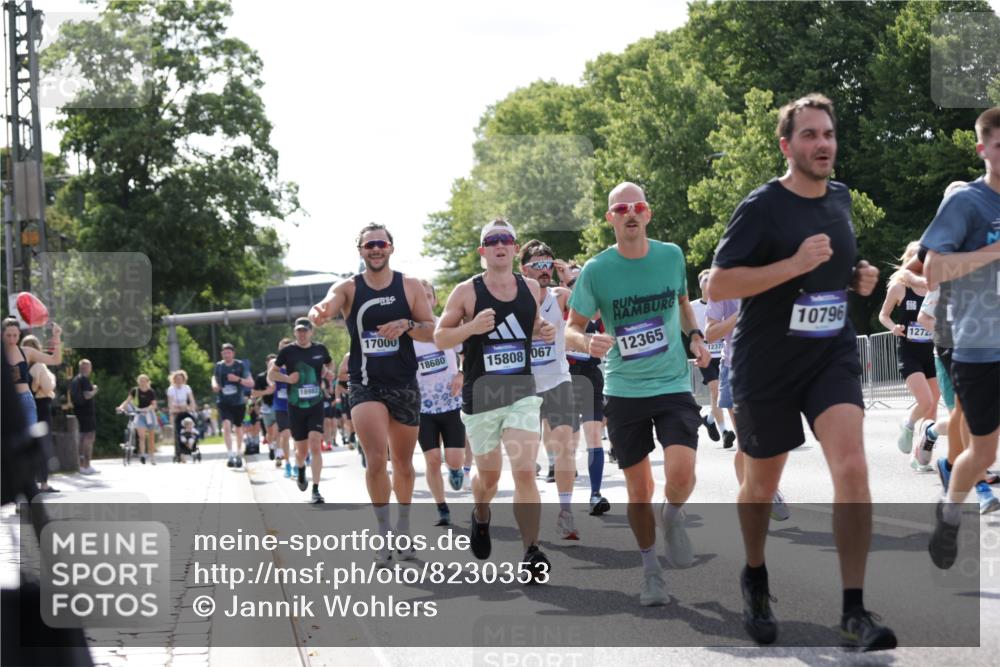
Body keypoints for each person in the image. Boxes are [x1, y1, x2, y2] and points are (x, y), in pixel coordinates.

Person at [708, 93, 894, 650]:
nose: (823, 145)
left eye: (829, 134)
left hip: (829, 355)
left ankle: (854, 610)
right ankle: (756, 576)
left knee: (853, 467)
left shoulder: (839, 198)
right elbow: (718, 284)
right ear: (786, 145)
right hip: (767, 363)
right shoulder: (762, 205)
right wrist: (791, 265)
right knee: (761, 485)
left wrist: (859, 279)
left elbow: (833, 269)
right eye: (810, 135)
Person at [566, 183, 711, 607]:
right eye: (621, 208)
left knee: (682, 473)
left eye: (638, 206)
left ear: (648, 214)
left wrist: (696, 336)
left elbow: (683, 304)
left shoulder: (671, 255)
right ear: (611, 218)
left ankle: (674, 516)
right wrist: (584, 342)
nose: (631, 212)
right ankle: (651, 574)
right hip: (624, 390)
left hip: (671, 384)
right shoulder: (596, 270)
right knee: (639, 488)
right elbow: (572, 326)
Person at [436, 217, 556, 582]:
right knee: (489, 476)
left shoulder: (532, 288)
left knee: (524, 471)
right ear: (482, 251)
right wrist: (471, 328)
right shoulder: (466, 292)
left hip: (521, 392)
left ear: (515, 247)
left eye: (506, 239)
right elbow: (441, 337)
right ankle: (481, 514)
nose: (500, 244)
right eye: (492, 240)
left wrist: (543, 329)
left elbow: (531, 324)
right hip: (482, 396)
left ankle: (530, 550)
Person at [309, 223, 435, 563]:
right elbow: (326, 304)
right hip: (365, 384)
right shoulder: (349, 288)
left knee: (404, 465)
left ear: (391, 248)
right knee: (378, 459)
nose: (375, 249)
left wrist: (407, 325)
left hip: (404, 383)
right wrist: (317, 313)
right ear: (361, 251)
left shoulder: (409, 286)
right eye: (369, 245)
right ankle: (382, 534)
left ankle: (404, 527)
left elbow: (431, 329)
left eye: (380, 244)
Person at [924, 106, 1000, 568]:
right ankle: (951, 510)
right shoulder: (965, 203)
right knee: (983, 451)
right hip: (978, 344)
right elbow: (932, 271)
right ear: (982, 149)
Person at [520, 240, 582, 540]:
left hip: (558, 380)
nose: (545, 270)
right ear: (524, 269)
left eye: (548, 264)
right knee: (525, 457)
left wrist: (568, 276)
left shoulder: (560, 296)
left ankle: (566, 512)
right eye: (538, 265)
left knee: (565, 448)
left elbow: (588, 308)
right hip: (525, 385)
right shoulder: (514, 297)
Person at [878, 242, 940, 470]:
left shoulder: (934, 287)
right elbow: (883, 315)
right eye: (917, 259)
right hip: (909, 352)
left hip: (930, 352)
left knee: (933, 406)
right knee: (925, 401)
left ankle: (920, 456)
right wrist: (893, 326)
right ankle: (909, 422)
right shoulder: (899, 288)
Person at [413, 279, 466, 526]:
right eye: (419, 296)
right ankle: (441, 507)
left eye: (428, 296)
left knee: (454, 458)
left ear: (434, 300)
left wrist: (461, 373)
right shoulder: (407, 333)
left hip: (451, 403)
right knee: (432, 459)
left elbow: (467, 353)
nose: (424, 300)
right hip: (422, 408)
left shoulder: (446, 326)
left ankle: (456, 470)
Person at [562, 265, 611, 516]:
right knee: (568, 442)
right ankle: (565, 502)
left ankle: (595, 493)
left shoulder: (599, 312)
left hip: (590, 377)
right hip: (564, 380)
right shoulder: (562, 307)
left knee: (593, 436)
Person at [270, 318, 335, 504]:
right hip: (296, 405)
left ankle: (315, 489)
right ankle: (300, 469)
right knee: (301, 451)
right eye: (299, 331)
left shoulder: (320, 349)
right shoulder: (287, 351)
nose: (302, 334)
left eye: (305, 331)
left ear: (311, 332)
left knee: (316, 444)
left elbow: (330, 364)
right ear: (294, 333)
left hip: (315, 403)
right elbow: (271, 374)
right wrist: (288, 379)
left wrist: (328, 372)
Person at [690, 270, 729, 446]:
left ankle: (710, 419)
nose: (708, 282)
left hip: (722, 353)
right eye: (705, 279)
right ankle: (725, 431)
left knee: (720, 392)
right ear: (700, 284)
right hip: (704, 356)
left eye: (710, 279)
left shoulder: (723, 302)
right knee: (715, 389)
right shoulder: (692, 307)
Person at [22, 335, 58, 492]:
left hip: (27, 404)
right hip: (42, 405)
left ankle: (29, 481)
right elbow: (48, 387)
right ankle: (43, 483)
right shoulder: (40, 366)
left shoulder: (21, 366)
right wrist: (53, 381)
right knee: (43, 445)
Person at [212, 343, 254, 468]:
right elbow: (213, 377)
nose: (226, 355)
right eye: (224, 353)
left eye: (229, 352)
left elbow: (251, 383)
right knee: (226, 425)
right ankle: (230, 454)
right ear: (222, 354)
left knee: (238, 428)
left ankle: (238, 451)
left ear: (233, 354)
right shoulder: (219, 366)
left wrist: (238, 379)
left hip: (238, 402)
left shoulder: (240, 365)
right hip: (223, 401)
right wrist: (214, 384)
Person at [117, 374, 159, 465]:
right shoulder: (135, 391)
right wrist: (121, 407)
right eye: (141, 381)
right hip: (139, 414)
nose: (142, 383)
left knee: (151, 437)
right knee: (142, 436)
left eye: (144, 381)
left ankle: (152, 456)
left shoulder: (151, 392)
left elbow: (154, 405)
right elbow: (127, 400)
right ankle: (143, 455)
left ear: (147, 382)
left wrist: (147, 409)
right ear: (138, 382)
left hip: (149, 414)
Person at [68, 359, 98, 474]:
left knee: (82, 438)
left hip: (79, 411)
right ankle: (87, 465)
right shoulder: (84, 379)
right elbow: (87, 395)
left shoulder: (76, 379)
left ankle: (81, 465)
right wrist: (94, 390)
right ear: (87, 368)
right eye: (89, 366)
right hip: (87, 413)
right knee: (89, 437)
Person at [167, 370, 198, 462]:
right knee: (177, 432)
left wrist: (191, 407)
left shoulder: (187, 388)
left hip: (186, 411)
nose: (179, 380)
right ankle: (179, 452)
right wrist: (178, 408)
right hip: (176, 412)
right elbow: (171, 404)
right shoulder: (171, 389)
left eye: (180, 379)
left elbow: (192, 401)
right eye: (176, 379)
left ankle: (192, 447)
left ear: (184, 379)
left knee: (191, 427)